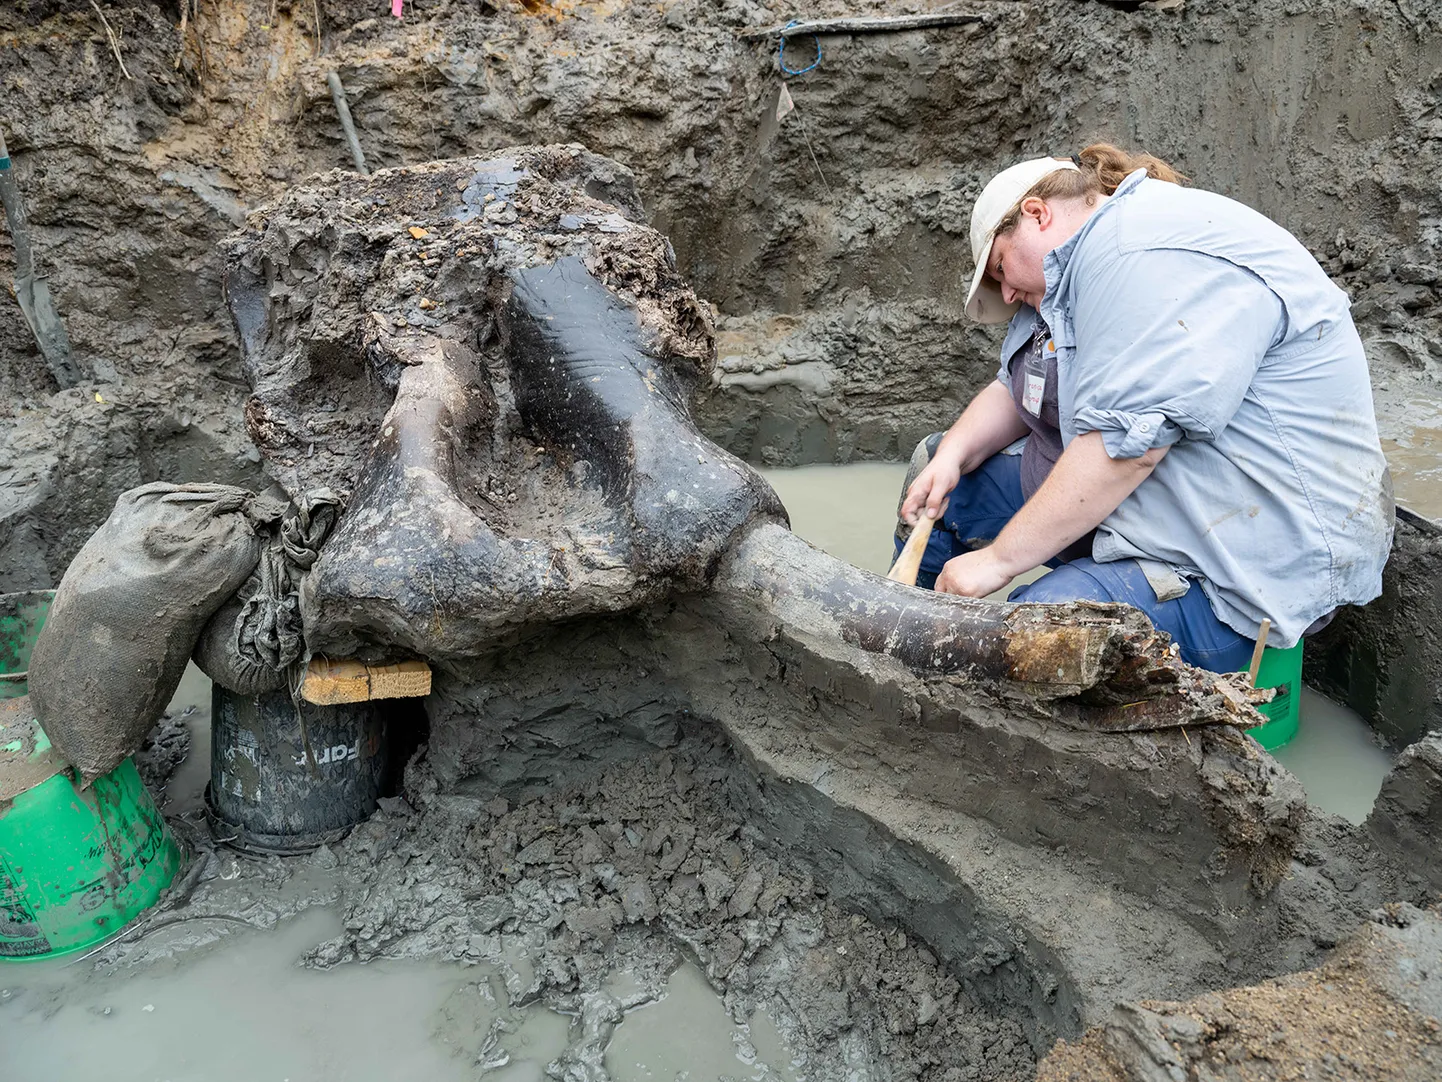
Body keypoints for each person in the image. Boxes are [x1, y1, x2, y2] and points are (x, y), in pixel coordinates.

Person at [896, 144, 1393, 673]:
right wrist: (951, 454)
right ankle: (907, 654)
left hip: (1234, 567)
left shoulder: (1142, 253)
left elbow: (1126, 451)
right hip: (1148, 513)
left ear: (1037, 215)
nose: (1008, 294)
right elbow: (1018, 388)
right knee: (948, 495)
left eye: (1000, 269)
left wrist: (995, 564)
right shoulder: (1064, 280)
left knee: (1037, 635)